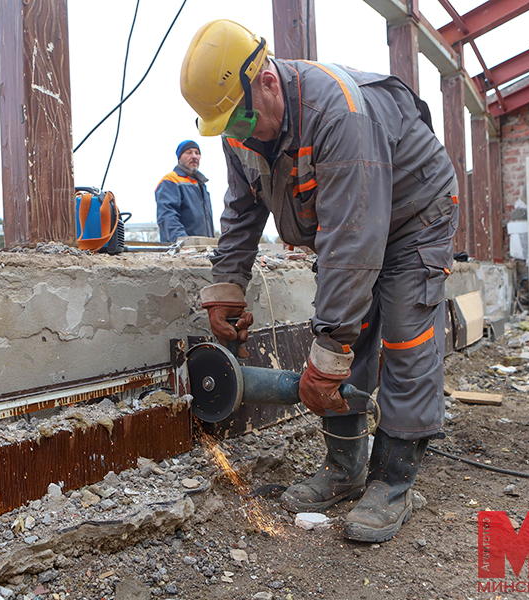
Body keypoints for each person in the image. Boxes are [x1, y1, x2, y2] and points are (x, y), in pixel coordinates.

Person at [181, 20, 459, 543]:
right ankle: (345, 468)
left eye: (240, 117)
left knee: (403, 336)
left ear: (266, 80)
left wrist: (328, 354)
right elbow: (242, 212)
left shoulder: (338, 114)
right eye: (225, 126)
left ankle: (393, 484)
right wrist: (227, 287)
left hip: (413, 218)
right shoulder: (240, 128)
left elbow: (354, 244)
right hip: (354, 226)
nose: (237, 132)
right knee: (350, 335)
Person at [155, 140, 215, 243]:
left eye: (197, 153)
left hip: (202, 249)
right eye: (189, 152)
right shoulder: (171, 180)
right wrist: (183, 242)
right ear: (179, 158)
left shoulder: (201, 185)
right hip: (182, 251)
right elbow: (167, 217)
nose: (194, 156)